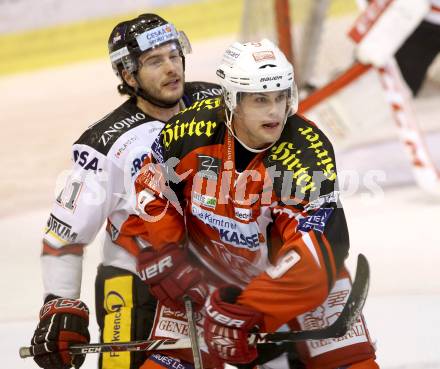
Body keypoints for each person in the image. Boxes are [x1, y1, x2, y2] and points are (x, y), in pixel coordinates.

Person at [133, 39, 380, 369]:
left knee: (351, 364)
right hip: (209, 275)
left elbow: (313, 252)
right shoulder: (188, 131)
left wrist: (251, 309)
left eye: (280, 96)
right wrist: (169, 252)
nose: (275, 111)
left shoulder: (305, 153)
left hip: (298, 284)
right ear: (232, 100)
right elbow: (153, 188)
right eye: (261, 99)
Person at [28, 13, 221, 369]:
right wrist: (60, 303)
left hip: (209, 283)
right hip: (135, 286)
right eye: (154, 61)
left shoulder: (217, 103)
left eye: (174, 55)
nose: (171, 68)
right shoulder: (103, 144)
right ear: (129, 74)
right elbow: (63, 234)